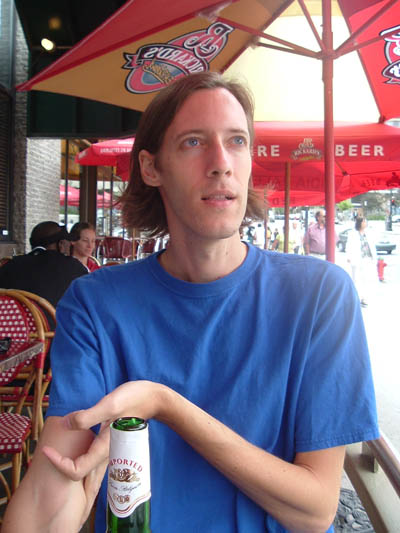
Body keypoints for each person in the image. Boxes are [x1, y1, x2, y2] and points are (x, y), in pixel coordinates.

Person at [3, 73, 379, 533]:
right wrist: (58, 509)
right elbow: (54, 480)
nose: (221, 163)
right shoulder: (96, 303)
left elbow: (315, 511)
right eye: (193, 142)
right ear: (151, 167)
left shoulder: (319, 295)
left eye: (237, 141)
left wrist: (165, 405)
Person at [0, 221, 88, 311]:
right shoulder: (74, 268)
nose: (70, 245)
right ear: (61, 245)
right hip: (57, 320)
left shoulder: (10, 266)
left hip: (15, 319)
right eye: (67, 242)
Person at [346, 217, 377, 308]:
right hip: (357, 258)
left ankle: (364, 298)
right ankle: (356, 297)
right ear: (359, 223)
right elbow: (349, 245)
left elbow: (372, 246)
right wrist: (349, 256)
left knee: (366, 279)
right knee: (356, 279)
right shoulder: (353, 234)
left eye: (365, 222)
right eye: (363, 222)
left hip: (367, 258)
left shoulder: (368, 233)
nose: (365, 223)